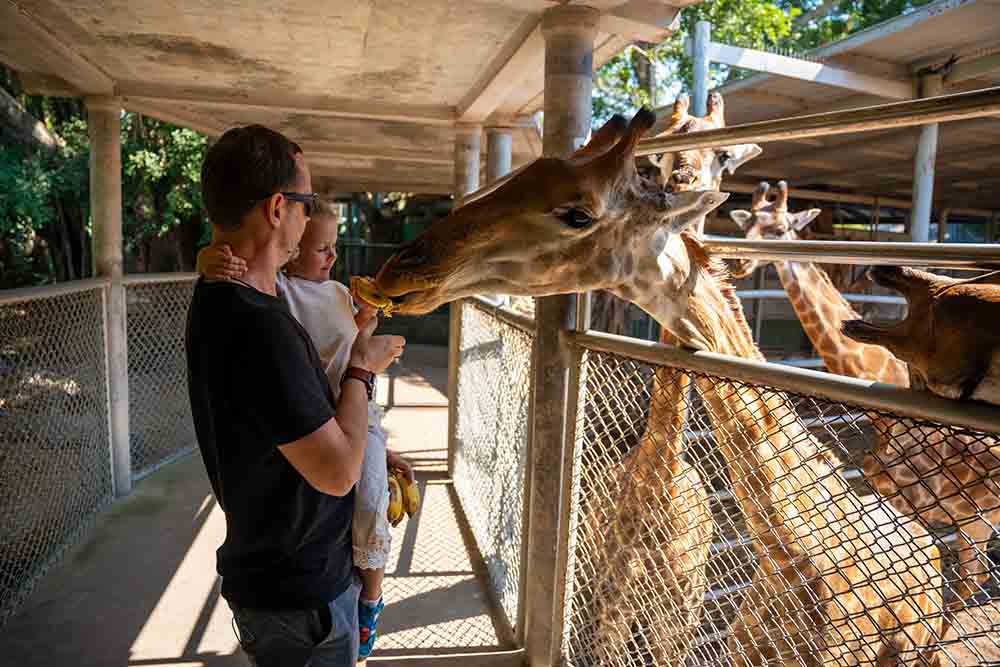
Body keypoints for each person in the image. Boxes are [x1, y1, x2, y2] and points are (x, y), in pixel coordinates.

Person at [185, 124, 404, 666]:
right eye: (306, 205)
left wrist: (369, 442)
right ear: (279, 208)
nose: (310, 218)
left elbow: (294, 420)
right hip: (302, 599)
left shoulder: (224, 294)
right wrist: (361, 368)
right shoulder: (259, 326)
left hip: (284, 581)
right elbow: (335, 470)